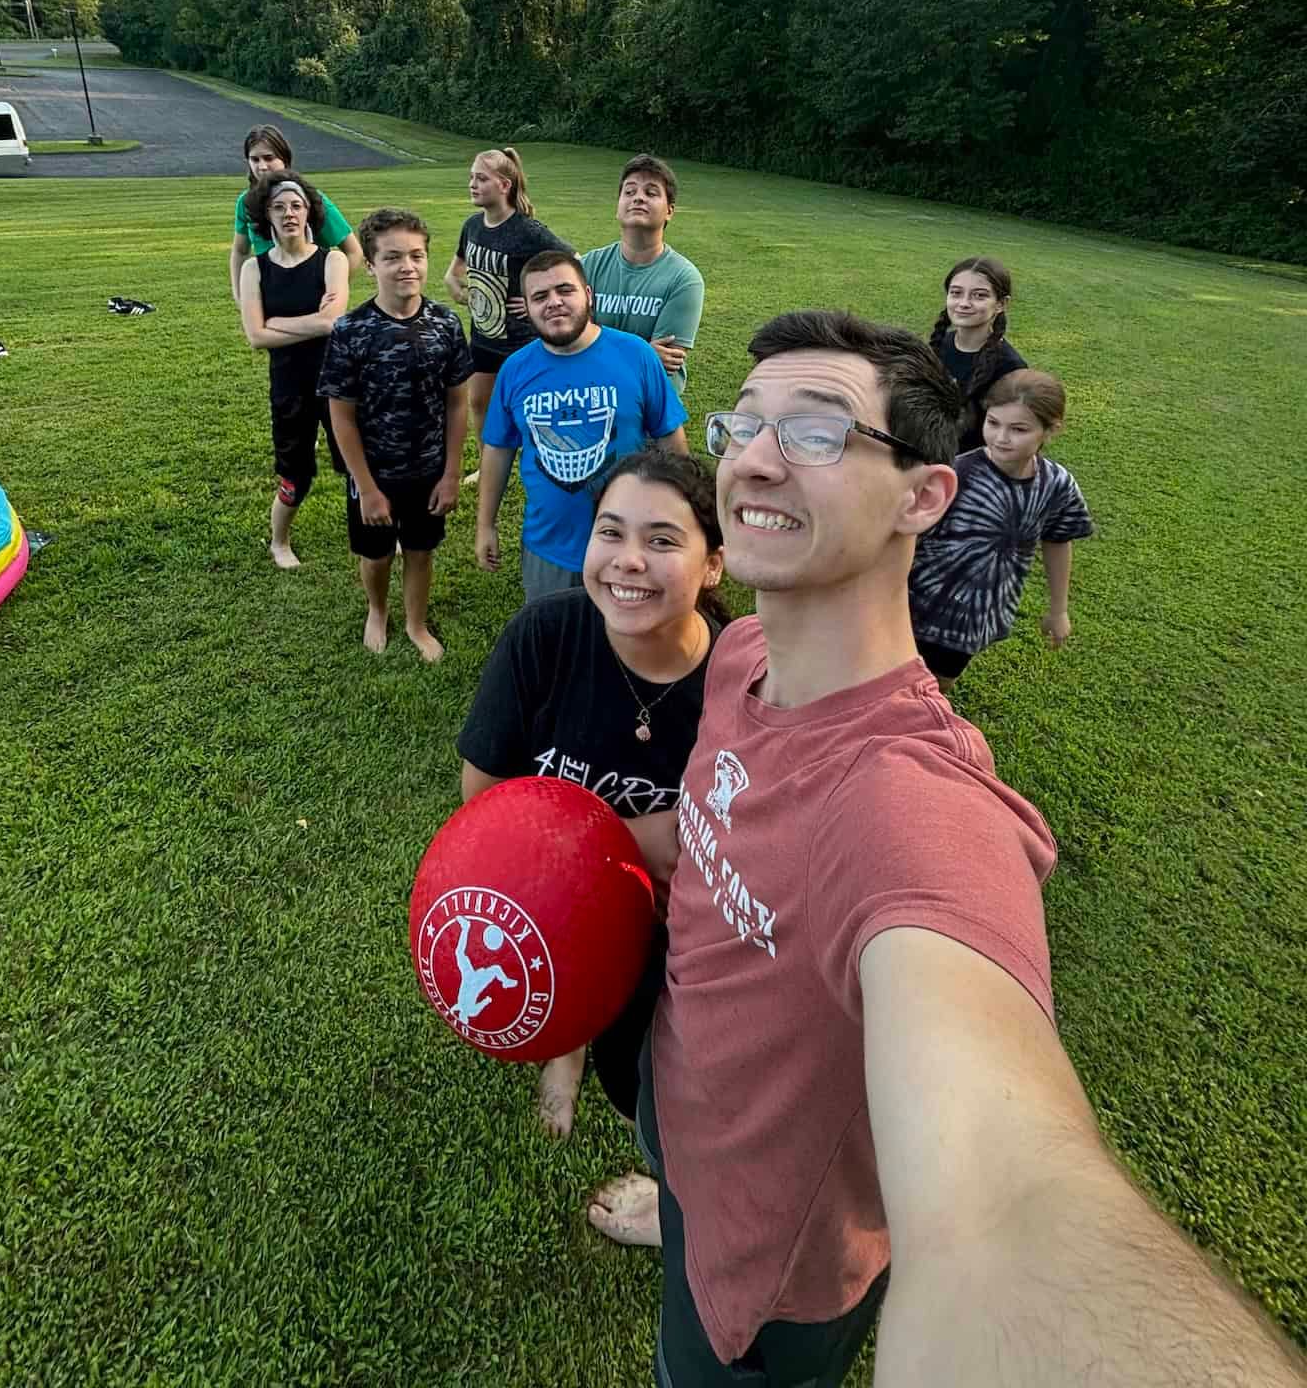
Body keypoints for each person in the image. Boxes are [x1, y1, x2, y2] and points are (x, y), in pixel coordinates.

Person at [605, 308, 1304, 1388]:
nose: (750, 456)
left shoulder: (914, 813)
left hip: (776, 1271)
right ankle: (678, 1203)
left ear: (926, 496)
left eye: (819, 431)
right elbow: (717, 831)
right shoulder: (742, 650)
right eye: (740, 422)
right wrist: (585, 844)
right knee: (680, 1172)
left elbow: (1008, 1201)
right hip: (684, 1098)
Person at [458, 450, 728, 1138]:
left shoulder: (740, 684)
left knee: (649, 1087)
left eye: (662, 540)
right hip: (550, 906)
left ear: (714, 565)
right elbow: (482, 803)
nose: (627, 560)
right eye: (610, 533)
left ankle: (658, 1182)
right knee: (576, 1009)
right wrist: (634, 841)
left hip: (677, 933)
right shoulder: (545, 635)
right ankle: (565, 1047)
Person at [474, 252, 689, 602]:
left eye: (565, 290)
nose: (554, 303)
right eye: (540, 297)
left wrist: (686, 516)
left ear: (588, 295)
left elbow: (671, 440)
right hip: (549, 547)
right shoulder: (515, 369)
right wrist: (486, 525)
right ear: (526, 308)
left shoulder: (635, 354)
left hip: (632, 541)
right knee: (556, 644)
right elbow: (498, 451)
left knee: (629, 645)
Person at [317, 209, 471, 662]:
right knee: (377, 554)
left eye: (417, 255)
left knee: (421, 550)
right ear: (370, 264)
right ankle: (378, 610)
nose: (407, 266)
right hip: (374, 473)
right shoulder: (351, 330)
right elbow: (341, 417)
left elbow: (457, 403)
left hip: (428, 470)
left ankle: (415, 622)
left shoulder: (446, 324)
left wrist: (451, 473)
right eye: (392, 257)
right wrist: (365, 487)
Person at [910, 368, 1093, 692]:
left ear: (1050, 430)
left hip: (978, 614)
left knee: (936, 687)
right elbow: (908, 533)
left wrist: (1058, 609)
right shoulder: (956, 474)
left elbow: (1058, 541)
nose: (1000, 437)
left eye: (1018, 429)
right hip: (918, 603)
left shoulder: (1057, 485)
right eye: (993, 423)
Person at [236, 173, 351, 570]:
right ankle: (279, 542)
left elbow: (332, 322)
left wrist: (274, 322)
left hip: (338, 381)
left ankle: (384, 529)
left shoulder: (332, 260)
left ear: (308, 214)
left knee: (357, 463)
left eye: (296, 206)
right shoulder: (254, 269)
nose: (289, 213)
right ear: (266, 215)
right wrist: (304, 323)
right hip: (289, 385)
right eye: (280, 207)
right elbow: (255, 337)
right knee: (294, 472)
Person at [443, 148, 571, 441]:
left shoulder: (528, 231)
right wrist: (452, 282)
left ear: (504, 185)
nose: (473, 184)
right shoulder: (472, 226)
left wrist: (535, 301)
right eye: (471, 178)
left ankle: (539, 459)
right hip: (483, 337)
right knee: (480, 404)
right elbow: (456, 269)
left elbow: (573, 262)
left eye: (482, 179)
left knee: (531, 411)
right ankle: (487, 464)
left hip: (521, 341)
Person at [581, 154, 705, 397]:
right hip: (592, 401)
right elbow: (570, 344)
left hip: (651, 411)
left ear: (669, 211)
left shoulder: (684, 278)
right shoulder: (587, 266)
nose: (638, 197)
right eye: (629, 192)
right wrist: (643, 352)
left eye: (651, 192)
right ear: (617, 206)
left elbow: (662, 365)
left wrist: (596, 346)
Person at [229, 124, 363, 304]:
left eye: (269, 158)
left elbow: (353, 251)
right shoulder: (246, 203)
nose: (262, 167)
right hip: (269, 298)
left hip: (311, 300)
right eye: (255, 159)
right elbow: (240, 250)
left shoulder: (312, 200)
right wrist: (240, 296)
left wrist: (332, 291)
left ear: (284, 158)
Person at [927, 254, 1026, 450]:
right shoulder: (938, 345)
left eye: (979, 295)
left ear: (1001, 304)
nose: (964, 303)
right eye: (956, 293)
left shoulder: (1010, 368)